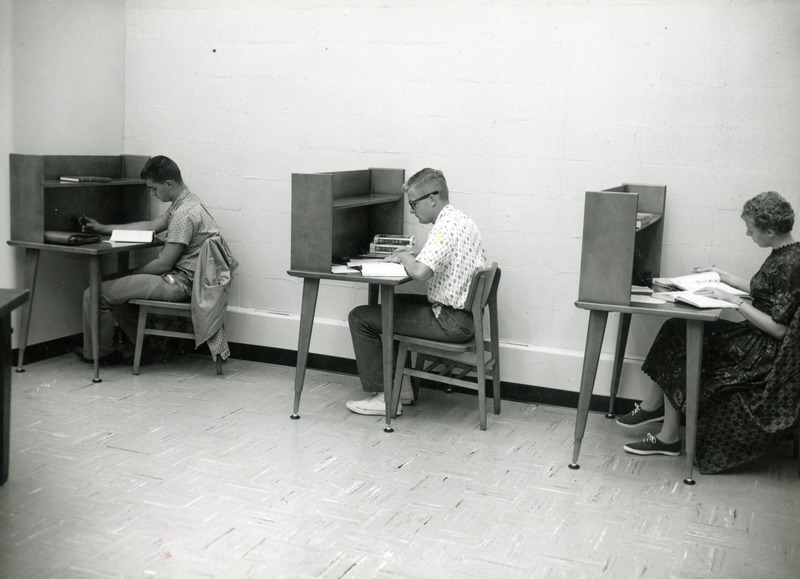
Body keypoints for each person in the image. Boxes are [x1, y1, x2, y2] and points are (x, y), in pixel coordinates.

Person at [618, 191, 800, 466]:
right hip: (754, 339)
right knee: (677, 329)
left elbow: (779, 331)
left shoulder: (792, 264)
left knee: (680, 336)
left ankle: (667, 434)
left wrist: (734, 301)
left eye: (751, 231)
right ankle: (654, 410)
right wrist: (723, 276)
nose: (748, 236)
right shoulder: (785, 254)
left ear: (771, 231)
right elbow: (766, 291)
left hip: (762, 352)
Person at [346, 168, 487, 415]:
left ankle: (384, 398)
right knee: (394, 304)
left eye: (414, 203)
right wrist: (409, 258)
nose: (412, 210)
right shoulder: (461, 220)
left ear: (432, 198)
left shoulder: (444, 228)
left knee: (360, 317)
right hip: (465, 317)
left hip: (450, 321)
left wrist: (402, 256)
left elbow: (420, 273)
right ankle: (403, 390)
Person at [76, 155, 221, 365]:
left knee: (94, 293)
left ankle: (99, 354)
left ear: (169, 184)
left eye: (154, 189)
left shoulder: (183, 214)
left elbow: (163, 264)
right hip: (187, 282)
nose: (153, 194)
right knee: (115, 285)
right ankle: (150, 344)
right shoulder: (188, 202)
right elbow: (150, 226)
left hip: (179, 284)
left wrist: (135, 273)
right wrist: (103, 228)